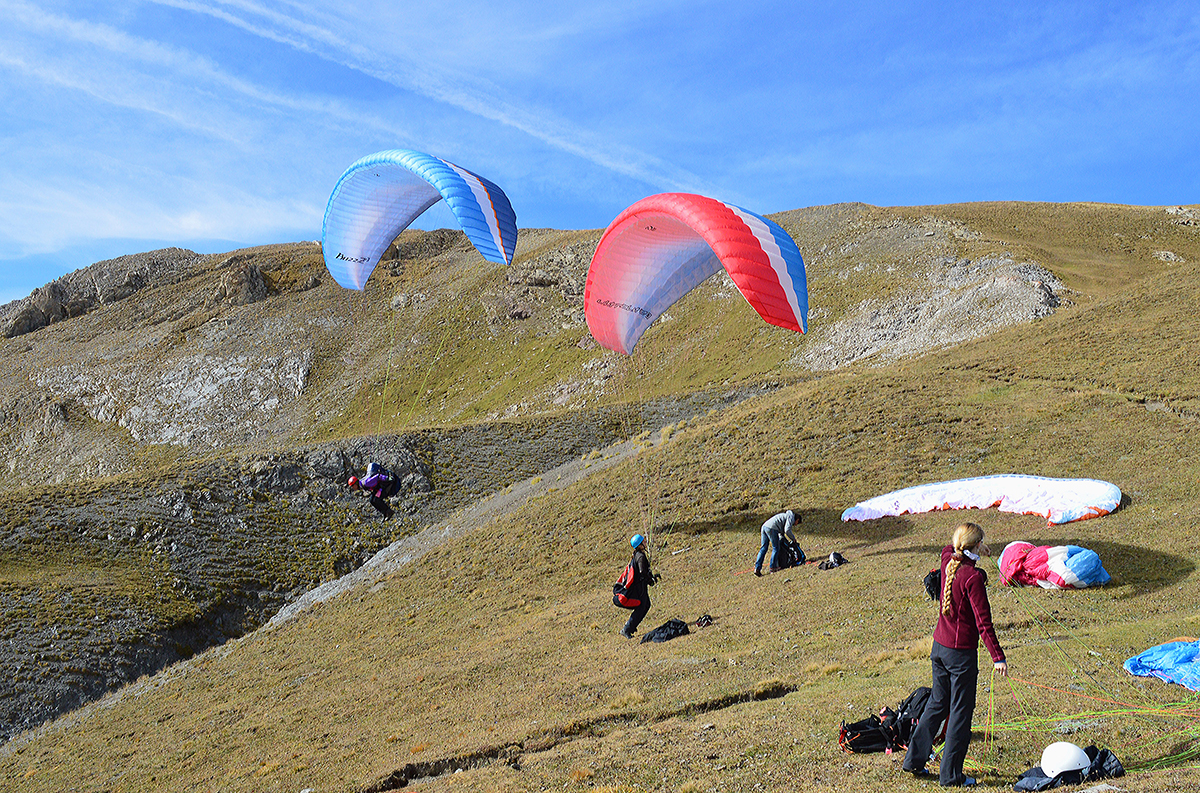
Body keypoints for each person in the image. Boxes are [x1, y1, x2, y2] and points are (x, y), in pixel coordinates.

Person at [903, 522, 1008, 787]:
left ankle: (913, 760)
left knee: (938, 703)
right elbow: (984, 623)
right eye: (981, 541)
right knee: (961, 711)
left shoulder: (947, 558)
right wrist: (998, 657)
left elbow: (951, 548)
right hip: (960, 656)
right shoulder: (972, 578)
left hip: (939, 648)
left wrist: (976, 552)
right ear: (975, 546)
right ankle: (951, 776)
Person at [620, 534, 657, 639]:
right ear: (640, 545)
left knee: (646, 605)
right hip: (640, 587)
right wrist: (650, 579)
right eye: (643, 541)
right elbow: (642, 571)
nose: (645, 542)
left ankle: (631, 627)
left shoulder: (637, 554)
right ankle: (627, 629)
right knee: (642, 607)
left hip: (640, 586)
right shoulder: (640, 556)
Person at [755, 509, 800, 576]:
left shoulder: (785, 516)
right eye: (797, 523)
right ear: (797, 519)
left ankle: (757, 568)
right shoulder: (791, 518)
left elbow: (781, 532)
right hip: (772, 528)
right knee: (776, 548)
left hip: (764, 527)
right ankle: (772, 567)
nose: (796, 525)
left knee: (763, 548)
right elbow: (787, 530)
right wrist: (793, 539)